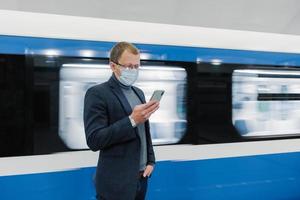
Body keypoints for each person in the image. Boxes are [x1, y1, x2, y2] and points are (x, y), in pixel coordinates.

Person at [84, 42, 159, 200]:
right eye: (128, 66)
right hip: (115, 184)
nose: (133, 71)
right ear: (113, 66)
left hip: (141, 179)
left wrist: (151, 161)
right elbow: (94, 140)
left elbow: (144, 131)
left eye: (136, 66)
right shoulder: (97, 94)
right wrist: (131, 120)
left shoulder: (138, 93)